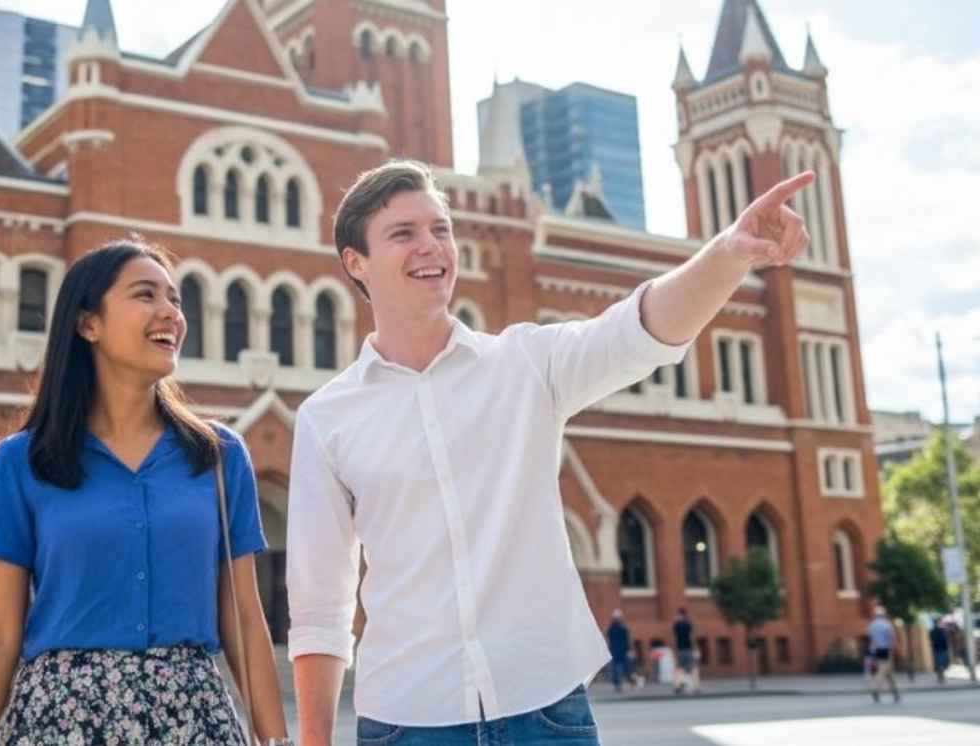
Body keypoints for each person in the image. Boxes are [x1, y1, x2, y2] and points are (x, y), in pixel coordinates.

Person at [286, 160, 813, 746]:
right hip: (408, 721)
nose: (431, 246)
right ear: (355, 262)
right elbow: (319, 608)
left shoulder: (525, 364)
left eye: (441, 229)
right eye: (403, 233)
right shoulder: (326, 419)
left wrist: (730, 252)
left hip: (545, 712)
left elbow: (639, 331)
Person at [0, 239, 290, 746]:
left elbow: (243, 615)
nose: (170, 313)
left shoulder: (219, 456)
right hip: (61, 722)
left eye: (175, 299)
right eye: (146, 294)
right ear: (89, 324)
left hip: (194, 719)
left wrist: (277, 740)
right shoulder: (22, 461)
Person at [867, 605, 900, 703]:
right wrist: (894, 649)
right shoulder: (887, 624)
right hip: (886, 649)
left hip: (876, 650)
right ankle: (875, 689)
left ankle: (895, 693)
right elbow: (891, 637)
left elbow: (871, 638)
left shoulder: (872, 625)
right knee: (882, 670)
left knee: (889, 672)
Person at [672, 607, 698, 695]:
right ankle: (695, 687)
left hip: (680, 649)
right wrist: (695, 649)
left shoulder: (676, 625)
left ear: (679, 614)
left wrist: (674, 650)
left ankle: (677, 686)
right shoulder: (688, 624)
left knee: (678, 669)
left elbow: (674, 638)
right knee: (693, 668)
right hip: (689, 649)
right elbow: (692, 637)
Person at [606, 611, 632, 693]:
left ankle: (620, 683)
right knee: (622, 668)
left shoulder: (612, 628)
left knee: (619, 668)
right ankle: (622, 683)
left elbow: (608, 639)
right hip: (620, 651)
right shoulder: (622, 628)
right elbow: (627, 640)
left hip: (617, 651)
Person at [931, 617, 951, 685]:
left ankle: (940, 677)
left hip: (938, 649)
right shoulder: (939, 630)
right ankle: (941, 677)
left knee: (940, 664)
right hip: (940, 649)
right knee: (940, 664)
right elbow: (944, 640)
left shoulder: (934, 631)